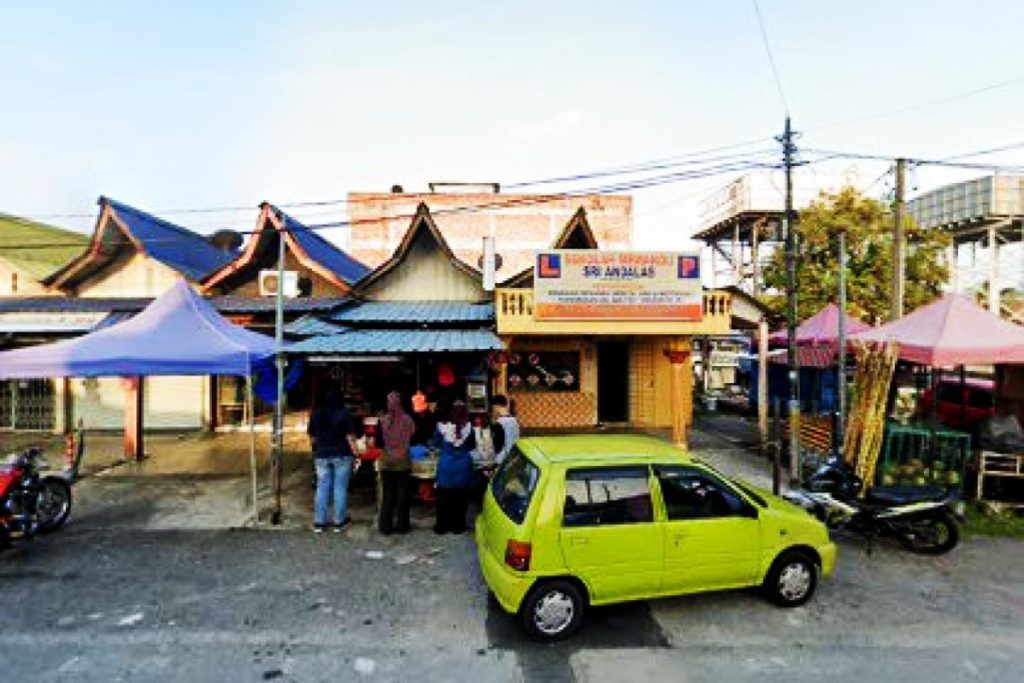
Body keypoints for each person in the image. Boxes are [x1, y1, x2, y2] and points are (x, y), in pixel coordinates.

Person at [307, 383, 357, 533]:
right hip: (342, 454)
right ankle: (338, 523)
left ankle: (319, 522)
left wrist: (318, 448)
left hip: (321, 455)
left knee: (322, 488)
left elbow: (312, 437)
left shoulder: (315, 413)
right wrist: (356, 452)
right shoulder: (344, 413)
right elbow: (350, 437)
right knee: (339, 488)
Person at [432, 400, 475, 534]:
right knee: (460, 499)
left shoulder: (441, 427)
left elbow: (435, 443)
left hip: (446, 466)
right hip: (463, 466)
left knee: (443, 498)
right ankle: (457, 527)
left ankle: (441, 527)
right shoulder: (469, 428)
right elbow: (472, 445)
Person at [377, 391, 415, 535]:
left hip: (386, 462)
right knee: (402, 495)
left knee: (388, 495)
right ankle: (402, 527)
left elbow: (378, 443)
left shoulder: (382, 421)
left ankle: (385, 528)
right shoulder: (407, 420)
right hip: (403, 462)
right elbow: (413, 435)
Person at [490, 395, 521, 466]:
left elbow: (497, 446)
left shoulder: (500, 423)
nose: (493, 409)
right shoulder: (514, 420)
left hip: (502, 460)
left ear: (496, 406)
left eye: (493, 407)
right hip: (513, 457)